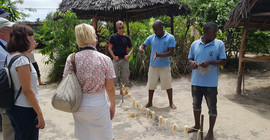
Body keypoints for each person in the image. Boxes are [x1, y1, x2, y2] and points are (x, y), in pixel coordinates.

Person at [63, 23, 116, 140]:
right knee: (107, 136)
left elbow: (66, 82)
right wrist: (112, 106)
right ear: (93, 37)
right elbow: (110, 88)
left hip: (78, 104)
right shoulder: (105, 59)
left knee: (85, 137)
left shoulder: (71, 58)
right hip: (98, 103)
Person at [6, 23, 45, 140]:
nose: (34, 40)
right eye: (31, 37)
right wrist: (40, 113)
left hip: (15, 106)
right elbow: (27, 90)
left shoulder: (11, 56)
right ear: (24, 39)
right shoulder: (22, 60)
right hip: (25, 108)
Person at [187, 22, 226, 140]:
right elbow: (190, 58)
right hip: (196, 82)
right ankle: (197, 125)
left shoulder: (219, 44)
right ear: (205, 32)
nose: (215, 34)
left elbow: (223, 61)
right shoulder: (195, 44)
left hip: (211, 83)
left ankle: (210, 132)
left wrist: (210, 62)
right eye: (213, 32)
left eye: (216, 32)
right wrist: (192, 63)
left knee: (212, 108)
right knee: (196, 105)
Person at [139, 20, 177, 110]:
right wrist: (141, 48)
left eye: (156, 30)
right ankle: (149, 102)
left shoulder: (170, 37)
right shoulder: (151, 37)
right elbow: (143, 45)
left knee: (168, 85)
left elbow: (171, 52)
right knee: (151, 85)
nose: (155, 32)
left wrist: (159, 55)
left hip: (164, 66)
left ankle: (171, 103)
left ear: (161, 28)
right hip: (153, 66)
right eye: (154, 30)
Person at [0, 17, 15, 139]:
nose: (13, 33)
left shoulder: (5, 46)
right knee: (9, 126)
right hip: (4, 92)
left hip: (7, 91)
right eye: (11, 30)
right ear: (2, 32)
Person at [108, 20, 133, 88]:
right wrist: (113, 56)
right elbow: (109, 48)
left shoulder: (126, 37)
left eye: (123, 27)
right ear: (117, 28)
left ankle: (123, 91)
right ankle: (113, 91)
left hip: (124, 59)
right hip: (116, 59)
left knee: (125, 76)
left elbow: (131, 48)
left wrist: (128, 55)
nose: (122, 29)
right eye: (120, 28)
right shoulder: (113, 37)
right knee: (113, 76)